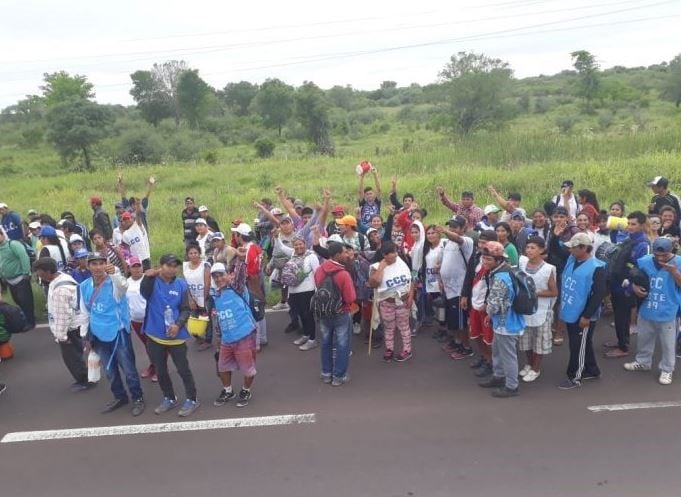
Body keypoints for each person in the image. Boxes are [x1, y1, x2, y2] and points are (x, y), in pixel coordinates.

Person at [80, 253, 145, 415]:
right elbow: (84, 312)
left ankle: (138, 398)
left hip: (118, 332)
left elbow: (124, 286)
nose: (97, 267)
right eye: (94, 264)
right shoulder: (84, 286)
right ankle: (119, 396)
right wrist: (85, 337)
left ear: (106, 264)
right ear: (88, 266)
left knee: (128, 368)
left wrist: (115, 272)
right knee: (109, 371)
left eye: (101, 263)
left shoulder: (114, 283)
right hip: (97, 334)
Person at [141, 254, 199, 417]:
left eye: (175, 266)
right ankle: (169, 397)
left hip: (176, 336)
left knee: (183, 369)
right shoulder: (152, 281)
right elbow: (144, 293)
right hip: (154, 334)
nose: (172, 268)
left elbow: (186, 309)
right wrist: (147, 277)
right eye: (169, 265)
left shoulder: (181, 284)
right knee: (160, 370)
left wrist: (178, 324)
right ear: (161, 266)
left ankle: (192, 399)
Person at [623, 237, 681, 385]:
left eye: (664, 255)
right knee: (644, 338)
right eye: (657, 254)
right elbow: (631, 277)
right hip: (646, 308)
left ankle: (667, 369)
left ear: (671, 250)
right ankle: (643, 362)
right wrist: (634, 287)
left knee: (668, 344)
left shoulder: (678, 262)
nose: (660, 257)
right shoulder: (644, 261)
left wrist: (674, 272)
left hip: (668, 310)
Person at [32, 257, 93, 391]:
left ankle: (85, 380)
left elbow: (62, 317)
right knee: (80, 353)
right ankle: (90, 375)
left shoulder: (60, 291)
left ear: (48, 272)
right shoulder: (63, 277)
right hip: (79, 324)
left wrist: (61, 337)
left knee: (72, 358)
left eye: (40, 273)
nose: (38, 275)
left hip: (71, 329)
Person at [557, 233, 608, 389]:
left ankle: (575, 376)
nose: (570, 250)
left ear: (584, 248)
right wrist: (555, 235)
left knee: (577, 345)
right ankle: (592, 369)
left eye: (573, 247)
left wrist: (586, 316)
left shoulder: (597, 267)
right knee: (583, 343)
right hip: (571, 310)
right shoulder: (572, 259)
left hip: (583, 314)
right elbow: (556, 248)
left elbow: (598, 294)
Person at [477, 241, 525, 398]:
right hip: (502, 321)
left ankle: (512, 386)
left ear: (499, 260)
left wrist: (489, 313)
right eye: (484, 258)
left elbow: (495, 303)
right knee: (497, 351)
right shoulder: (502, 271)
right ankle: (498, 376)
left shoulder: (500, 278)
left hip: (507, 323)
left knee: (508, 355)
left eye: (489, 259)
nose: (485, 262)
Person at [209, 262, 258, 407]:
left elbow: (241, 273)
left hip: (244, 336)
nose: (218, 279)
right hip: (226, 339)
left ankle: (246, 390)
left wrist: (241, 258)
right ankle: (228, 390)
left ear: (229, 275)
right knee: (222, 367)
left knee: (248, 369)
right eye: (215, 276)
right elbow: (218, 318)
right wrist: (218, 337)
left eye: (221, 275)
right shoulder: (215, 294)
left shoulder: (238, 288)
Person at [604, 211, 649, 359]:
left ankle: (624, 347)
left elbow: (641, 270)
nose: (630, 227)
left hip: (627, 287)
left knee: (623, 317)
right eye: (628, 223)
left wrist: (632, 287)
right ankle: (620, 341)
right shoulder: (628, 239)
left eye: (633, 224)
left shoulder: (643, 244)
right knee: (618, 316)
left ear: (642, 225)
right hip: (617, 284)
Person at [518, 237, 557, 382]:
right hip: (524, 309)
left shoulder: (548, 269)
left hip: (541, 310)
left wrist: (535, 293)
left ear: (541, 250)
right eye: (528, 247)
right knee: (525, 340)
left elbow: (554, 292)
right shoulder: (522, 264)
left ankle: (536, 368)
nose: (529, 250)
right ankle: (529, 363)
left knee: (539, 342)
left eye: (533, 248)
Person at [461, 230, 499, 378]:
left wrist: (486, 302)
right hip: (473, 303)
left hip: (485, 306)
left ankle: (492, 363)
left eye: (484, 242)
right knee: (476, 335)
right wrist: (464, 295)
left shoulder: (495, 262)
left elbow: (495, 286)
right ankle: (485, 357)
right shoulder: (476, 256)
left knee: (488, 338)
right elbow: (469, 276)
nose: (481, 245)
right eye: (480, 242)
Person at [369, 241, 415, 362]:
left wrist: (411, 297)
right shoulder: (376, 267)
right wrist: (381, 268)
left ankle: (407, 350)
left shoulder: (401, 261)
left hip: (403, 302)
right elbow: (373, 284)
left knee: (404, 327)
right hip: (387, 303)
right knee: (389, 327)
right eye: (392, 253)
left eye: (396, 251)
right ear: (384, 254)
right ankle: (389, 349)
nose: (396, 254)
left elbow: (411, 279)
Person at [439, 216, 475, 359]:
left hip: (460, 289)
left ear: (463, 228)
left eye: (455, 227)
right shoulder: (448, 243)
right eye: (450, 226)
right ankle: (457, 342)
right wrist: (441, 275)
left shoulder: (467, 241)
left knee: (461, 322)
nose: (452, 229)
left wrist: (445, 231)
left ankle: (466, 348)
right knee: (453, 320)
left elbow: (458, 239)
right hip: (448, 288)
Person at [275, 235, 320, 350]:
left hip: (307, 291)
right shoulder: (292, 254)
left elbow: (318, 273)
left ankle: (312, 339)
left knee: (308, 315)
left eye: (300, 244)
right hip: (293, 291)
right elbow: (281, 247)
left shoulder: (311, 256)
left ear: (305, 244)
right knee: (300, 314)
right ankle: (306, 335)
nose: (298, 246)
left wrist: (318, 291)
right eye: (296, 244)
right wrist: (276, 237)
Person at [231, 223, 268, 349]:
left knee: (253, 311)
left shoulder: (246, 251)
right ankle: (262, 337)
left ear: (240, 236)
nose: (234, 236)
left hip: (251, 282)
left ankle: (256, 344)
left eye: (236, 234)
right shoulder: (256, 247)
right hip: (258, 278)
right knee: (259, 308)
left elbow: (247, 272)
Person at [126, 256, 156, 382]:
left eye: (139, 266)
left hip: (150, 319)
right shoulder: (126, 282)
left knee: (155, 345)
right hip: (136, 321)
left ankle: (160, 368)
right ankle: (153, 365)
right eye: (134, 266)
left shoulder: (149, 279)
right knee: (147, 345)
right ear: (129, 268)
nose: (137, 269)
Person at [0, 227, 35, 329]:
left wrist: (26, 273)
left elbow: (24, 257)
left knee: (26, 301)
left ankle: (30, 322)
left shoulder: (13, 245)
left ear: (2, 234)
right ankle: (27, 319)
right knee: (18, 301)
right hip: (9, 280)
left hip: (21, 278)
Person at [183, 243, 212, 350]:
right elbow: (185, 284)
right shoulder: (185, 266)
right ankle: (197, 336)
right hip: (192, 297)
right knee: (193, 317)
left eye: (195, 253)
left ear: (199, 254)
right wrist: (190, 299)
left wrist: (203, 301)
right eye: (191, 253)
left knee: (206, 318)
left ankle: (208, 340)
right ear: (188, 255)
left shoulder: (205, 265)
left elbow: (207, 283)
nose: (193, 255)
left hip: (205, 296)